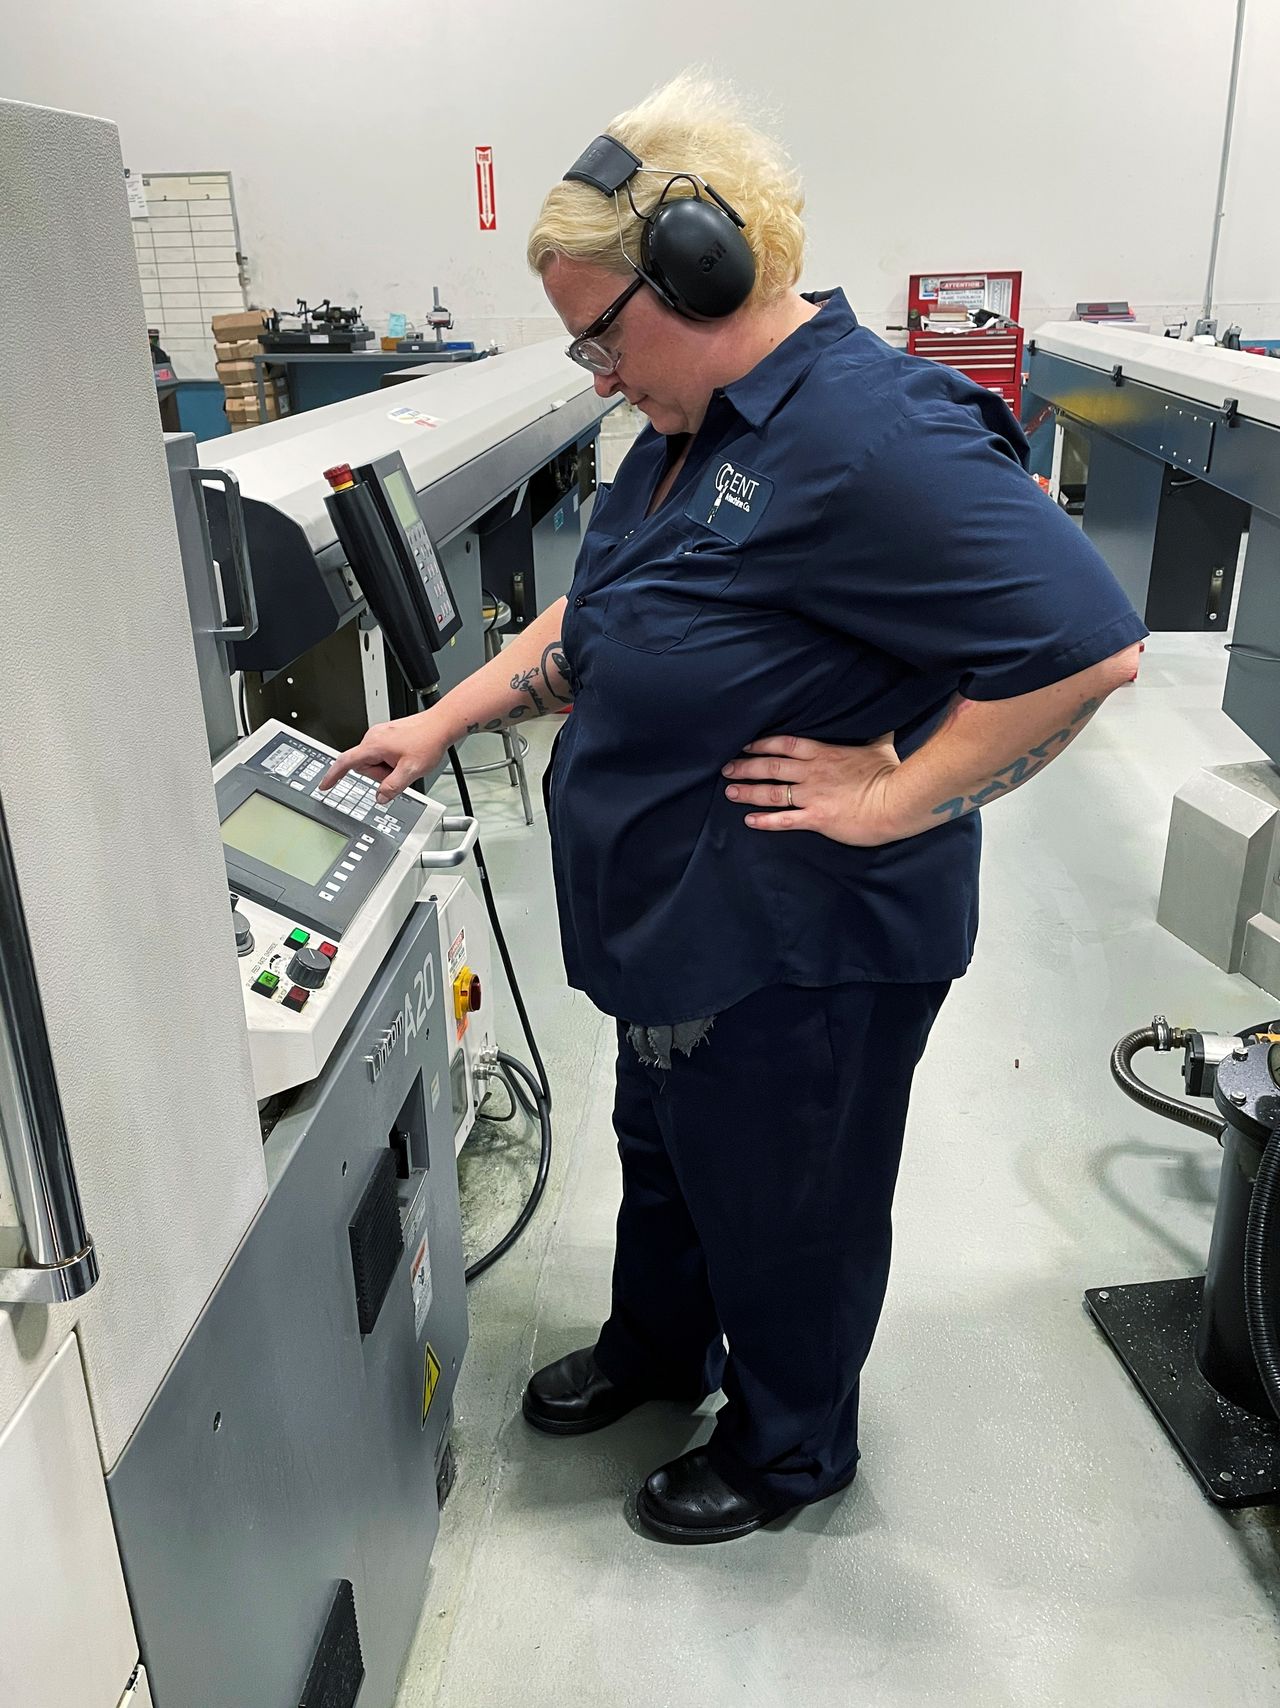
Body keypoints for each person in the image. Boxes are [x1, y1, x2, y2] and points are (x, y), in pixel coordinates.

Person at [322, 73, 1146, 1544]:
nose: (593, 371)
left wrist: (898, 793)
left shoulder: (874, 434)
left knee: (788, 1209)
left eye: (600, 331)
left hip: (804, 950)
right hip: (684, 936)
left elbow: (1091, 643)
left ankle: (787, 1450)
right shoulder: (689, 426)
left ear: (703, 268)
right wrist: (444, 716)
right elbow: (606, 607)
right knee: (673, 1157)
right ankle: (661, 1353)